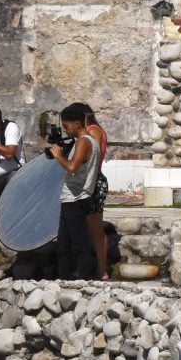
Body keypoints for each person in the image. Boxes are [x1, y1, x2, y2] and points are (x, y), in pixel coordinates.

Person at [49, 103, 100, 280]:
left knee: (80, 242)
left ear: (77, 124)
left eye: (67, 126)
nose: (65, 130)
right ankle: (63, 278)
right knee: (63, 243)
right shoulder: (84, 141)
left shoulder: (84, 141)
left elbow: (72, 167)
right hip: (70, 198)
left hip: (76, 198)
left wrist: (58, 156)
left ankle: (86, 277)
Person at [71, 103, 110, 280]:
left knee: (95, 229)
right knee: (87, 227)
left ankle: (102, 270)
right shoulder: (93, 130)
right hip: (89, 181)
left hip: (94, 181)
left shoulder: (93, 131)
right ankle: (92, 267)